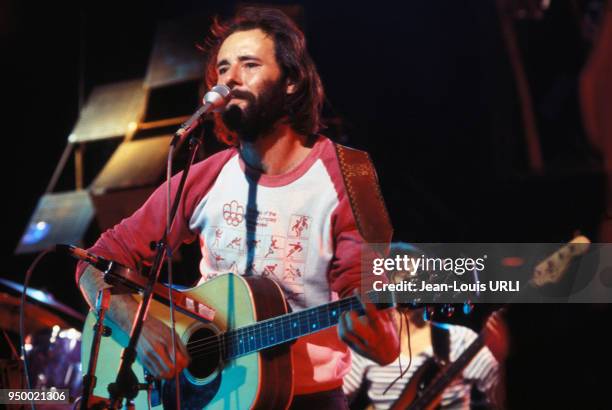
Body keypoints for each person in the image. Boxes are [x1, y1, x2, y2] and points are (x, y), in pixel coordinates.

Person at [76, 7, 398, 409]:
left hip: (307, 400)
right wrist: (136, 325)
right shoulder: (204, 177)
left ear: (292, 81)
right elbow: (94, 262)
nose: (229, 79)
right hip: (209, 395)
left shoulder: (347, 177)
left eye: (249, 65)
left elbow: (375, 319)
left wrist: (379, 335)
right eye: (223, 69)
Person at [344, 243, 504, 409]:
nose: (415, 283)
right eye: (403, 275)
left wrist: (501, 352)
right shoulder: (366, 344)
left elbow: (505, 396)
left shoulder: (460, 339)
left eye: (422, 276)